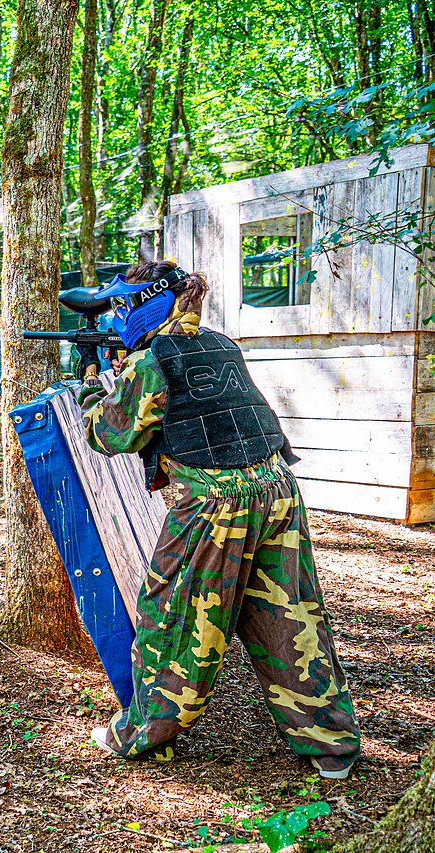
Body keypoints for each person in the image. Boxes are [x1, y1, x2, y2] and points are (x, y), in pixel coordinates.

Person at [74, 259, 360, 780]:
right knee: (290, 617)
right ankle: (330, 744)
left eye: (122, 308)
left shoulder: (149, 363)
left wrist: (92, 387)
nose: (117, 319)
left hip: (214, 503)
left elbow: (111, 435)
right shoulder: (221, 343)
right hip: (277, 490)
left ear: (149, 305)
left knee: (177, 617)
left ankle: (144, 735)